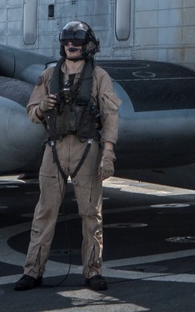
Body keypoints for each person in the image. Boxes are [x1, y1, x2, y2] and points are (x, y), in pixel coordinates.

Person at [14, 21, 121, 292]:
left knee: (91, 214)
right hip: (55, 149)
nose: (71, 45)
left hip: (87, 149)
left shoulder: (99, 77)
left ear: (88, 46)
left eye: (76, 41)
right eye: (66, 41)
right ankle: (32, 272)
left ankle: (93, 271)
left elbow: (110, 116)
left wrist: (108, 154)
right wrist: (42, 106)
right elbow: (31, 112)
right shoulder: (49, 75)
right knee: (45, 212)